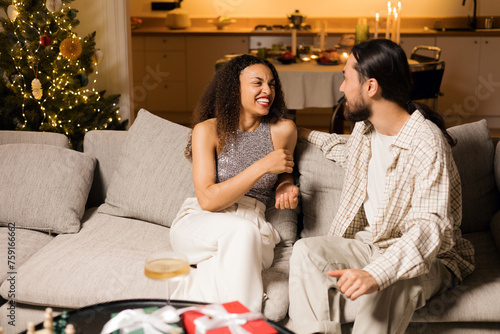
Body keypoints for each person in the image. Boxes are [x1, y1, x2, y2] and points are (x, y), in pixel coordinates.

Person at [288, 39, 475, 333]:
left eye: (346, 78)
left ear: (371, 87)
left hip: (429, 258)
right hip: (371, 244)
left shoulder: (426, 143)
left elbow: (429, 229)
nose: (342, 89)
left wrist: (376, 274)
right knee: (306, 251)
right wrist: (302, 132)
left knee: (389, 283)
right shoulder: (365, 129)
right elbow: (344, 151)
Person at [170, 54, 298, 313]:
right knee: (240, 234)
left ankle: (198, 320)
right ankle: (247, 323)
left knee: (238, 240)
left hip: (254, 226)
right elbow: (207, 199)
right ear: (233, 88)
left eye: (272, 84)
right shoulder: (207, 131)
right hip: (201, 222)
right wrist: (262, 165)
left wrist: (285, 183)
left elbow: (284, 169)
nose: (267, 91)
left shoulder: (283, 130)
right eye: (257, 83)